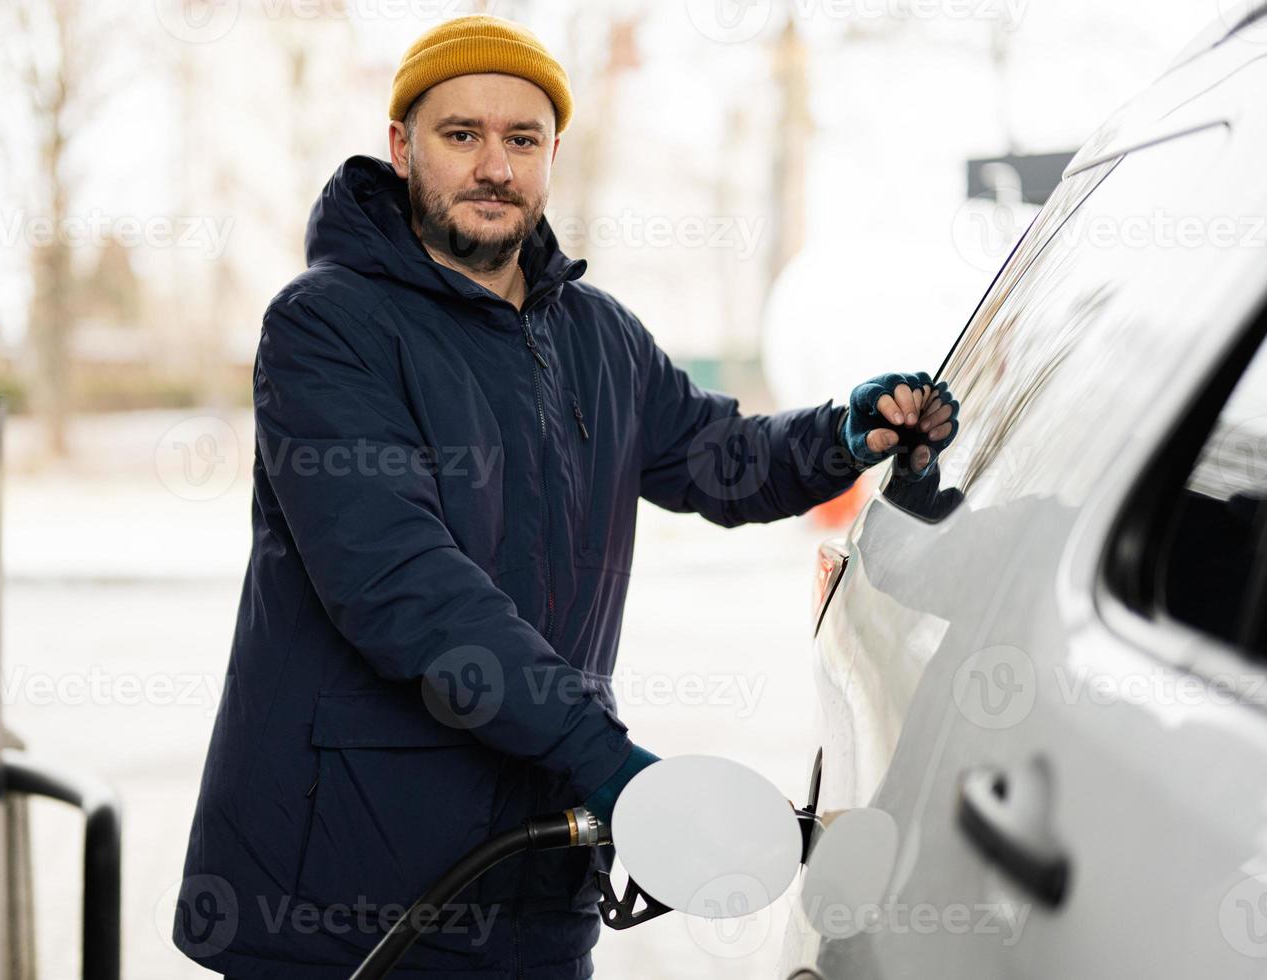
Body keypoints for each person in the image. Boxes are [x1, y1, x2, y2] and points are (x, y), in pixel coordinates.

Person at [174, 14, 958, 979]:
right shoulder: (328, 326)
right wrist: (611, 762)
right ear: (400, 146)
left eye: (522, 139)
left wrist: (842, 433)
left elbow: (715, 457)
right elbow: (401, 588)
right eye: (461, 135)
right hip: (348, 897)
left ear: (552, 156)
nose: (493, 166)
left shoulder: (595, 334)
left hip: (536, 893)